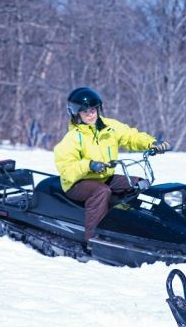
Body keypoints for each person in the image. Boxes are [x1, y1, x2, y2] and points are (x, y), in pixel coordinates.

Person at [53, 87, 171, 244]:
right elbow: (67, 169)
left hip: (104, 176)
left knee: (139, 184)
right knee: (101, 191)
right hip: (77, 183)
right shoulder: (72, 138)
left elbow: (130, 137)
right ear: (76, 114)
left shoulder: (110, 127)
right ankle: (94, 240)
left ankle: (141, 227)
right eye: (85, 111)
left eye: (93, 109)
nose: (90, 114)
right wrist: (89, 165)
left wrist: (151, 143)